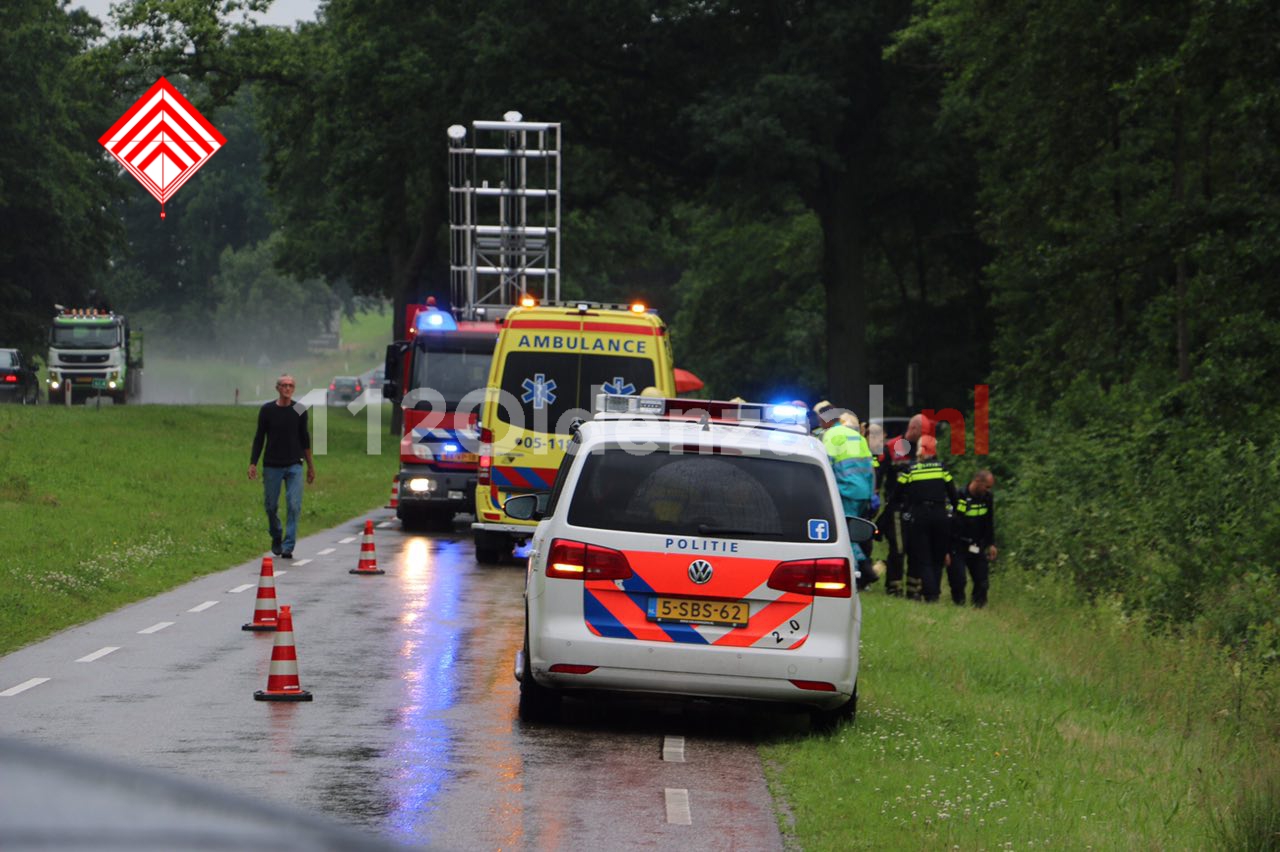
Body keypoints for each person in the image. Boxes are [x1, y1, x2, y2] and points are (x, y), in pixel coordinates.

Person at [248, 374, 315, 558]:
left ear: (294, 389)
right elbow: (259, 438)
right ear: (277, 388)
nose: (287, 388)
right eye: (284, 385)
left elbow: (305, 439)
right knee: (270, 506)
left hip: (294, 464)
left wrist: (310, 466)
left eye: (291, 385)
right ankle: (276, 534)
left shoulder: (300, 410)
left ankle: (288, 545)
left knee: (294, 504)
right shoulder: (267, 410)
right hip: (272, 465)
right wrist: (253, 463)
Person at [813, 401, 878, 588]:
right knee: (854, 531)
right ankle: (862, 570)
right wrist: (872, 493)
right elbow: (870, 467)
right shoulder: (855, 435)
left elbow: (827, 466)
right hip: (863, 492)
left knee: (845, 533)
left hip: (845, 491)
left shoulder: (830, 435)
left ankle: (861, 571)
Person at [889, 433, 957, 602]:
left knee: (923, 557)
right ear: (934, 451)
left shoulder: (910, 469)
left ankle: (930, 594)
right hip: (940, 516)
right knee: (937, 555)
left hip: (919, 516)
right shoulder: (942, 468)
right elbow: (954, 495)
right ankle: (934, 593)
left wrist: (906, 506)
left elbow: (896, 495)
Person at [878, 414, 927, 595]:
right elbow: (880, 474)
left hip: (918, 507)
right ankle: (894, 587)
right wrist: (875, 494)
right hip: (897, 506)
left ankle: (914, 589)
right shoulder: (892, 447)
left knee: (916, 549)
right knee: (898, 549)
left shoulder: (925, 448)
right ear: (913, 429)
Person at [948, 469, 997, 607]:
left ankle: (979, 608)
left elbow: (989, 521)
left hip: (977, 545)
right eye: (986, 487)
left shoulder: (987, 498)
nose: (987, 490)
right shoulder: (958, 496)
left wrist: (991, 544)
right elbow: (950, 524)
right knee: (959, 580)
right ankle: (959, 606)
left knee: (982, 581)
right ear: (977, 481)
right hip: (958, 545)